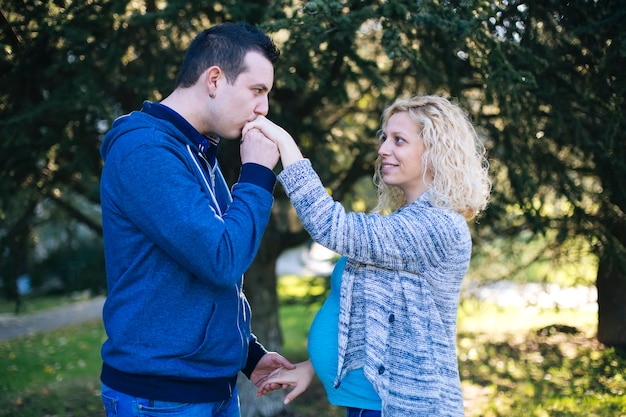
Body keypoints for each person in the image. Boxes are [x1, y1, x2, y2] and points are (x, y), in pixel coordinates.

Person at [245, 95, 491, 417]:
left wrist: (284, 142)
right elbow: (373, 318)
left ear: (434, 151)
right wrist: (315, 367)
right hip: (367, 405)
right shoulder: (405, 224)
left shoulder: (439, 227)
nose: (383, 149)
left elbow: (332, 226)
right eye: (384, 138)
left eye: (398, 140)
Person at [98, 22, 295, 417]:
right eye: (257, 91)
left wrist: (247, 353)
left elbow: (196, 277)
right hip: (162, 399)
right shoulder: (145, 152)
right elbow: (221, 259)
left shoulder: (197, 152)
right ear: (215, 80)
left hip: (210, 391)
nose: (264, 109)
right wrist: (256, 174)